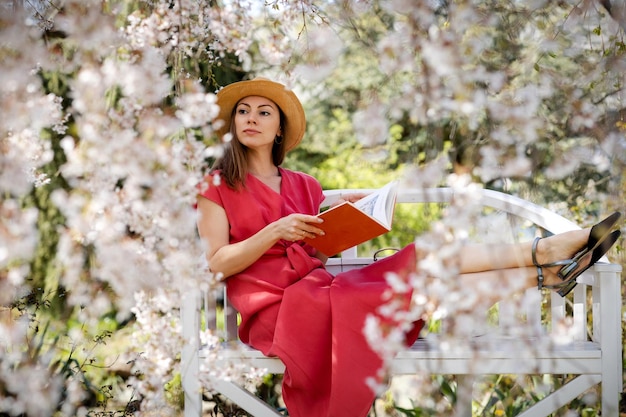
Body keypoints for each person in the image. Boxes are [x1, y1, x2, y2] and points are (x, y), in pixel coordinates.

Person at [196, 78, 621, 417]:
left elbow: (314, 256)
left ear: (279, 129)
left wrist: (337, 231)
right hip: (278, 311)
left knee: (424, 259)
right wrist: (275, 232)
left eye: (263, 112)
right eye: (243, 112)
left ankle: (544, 263)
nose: (251, 119)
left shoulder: (305, 185)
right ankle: (544, 264)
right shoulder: (216, 186)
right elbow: (216, 264)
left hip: (319, 290)